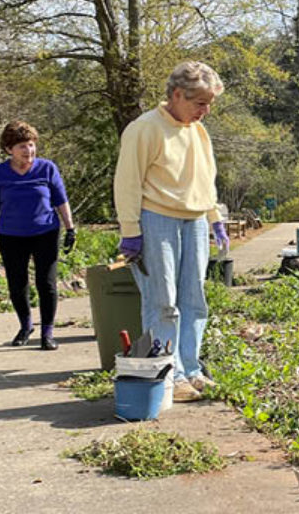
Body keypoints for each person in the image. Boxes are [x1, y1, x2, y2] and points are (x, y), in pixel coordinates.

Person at [114, 61, 228, 403]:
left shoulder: (198, 131)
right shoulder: (144, 129)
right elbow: (127, 182)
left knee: (194, 300)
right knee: (164, 302)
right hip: (156, 220)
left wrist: (214, 216)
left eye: (209, 104)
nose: (205, 111)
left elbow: (205, 177)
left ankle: (191, 369)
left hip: (194, 220)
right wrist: (131, 230)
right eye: (200, 103)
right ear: (177, 95)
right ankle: (169, 373)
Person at [0, 121, 76, 350]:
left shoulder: (47, 168)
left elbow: (60, 199)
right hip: (11, 235)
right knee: (17, 284)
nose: (29, 151)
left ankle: (47, 333)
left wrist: (70, 228)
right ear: (9, 149)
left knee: (46, 283)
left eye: (31, 145)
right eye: (22, 146)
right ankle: (26, 325)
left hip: (45, 232)